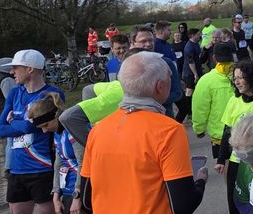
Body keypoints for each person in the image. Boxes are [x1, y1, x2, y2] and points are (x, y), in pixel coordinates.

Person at [79, 51, 208, 214]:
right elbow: (182, 206)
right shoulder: (170, 131)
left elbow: (86, 199)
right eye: (170, 78)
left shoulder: (98, 129)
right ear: (160, 87)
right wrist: (200, 181)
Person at [0, 49, 65, 214]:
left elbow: (33, 125)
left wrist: (13, 120)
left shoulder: (52, 94)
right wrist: (23, 124)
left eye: (16, 67)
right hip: (16, 169)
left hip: (43, 169)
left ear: (30, 69)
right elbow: (1, 129)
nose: (11, 72)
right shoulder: (14, 93)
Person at [215, 61, 253, 214]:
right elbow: (227, 131)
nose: (236, 82)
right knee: (234, 202)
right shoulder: (233, 101)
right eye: (234, 78)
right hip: (237, 162)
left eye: (241, 77)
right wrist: (221, 159)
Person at [26, 92, 78, 214]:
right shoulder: (57, 133)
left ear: (55, 116)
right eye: (41, 128)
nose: (44, 131)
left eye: (46, 125)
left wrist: (78, 195)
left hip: (79, 192)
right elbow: (58, 165)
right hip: (67, 191)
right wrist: (56, 195)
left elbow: (84, 164)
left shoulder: (72, 131)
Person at [192, 43, 236, 159]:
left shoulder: (206, 80)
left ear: (214, 57)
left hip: (220, 135)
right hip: (244, 132)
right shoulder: (242, 75)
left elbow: (200, 107)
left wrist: (199, 128)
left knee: (225, 166)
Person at [131, 26, 182, 117]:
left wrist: (153, 101)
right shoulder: (127, 66)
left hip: (164, 117)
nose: (148, 44)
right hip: (137, 119)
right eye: (143, 41)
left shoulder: (167, 63)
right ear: (133, 43)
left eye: (151, 40)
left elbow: (177, 93)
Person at [178, 29, 202, 124]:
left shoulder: (196, 43)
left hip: (197, 70)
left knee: (196, 90)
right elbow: (190, 62)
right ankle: (189, 112)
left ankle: (194, 109)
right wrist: (195, 74)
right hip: (189, 72)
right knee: (189, 90)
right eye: (198, 34)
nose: (199, 35)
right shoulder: (188, 47)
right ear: (192, 35)